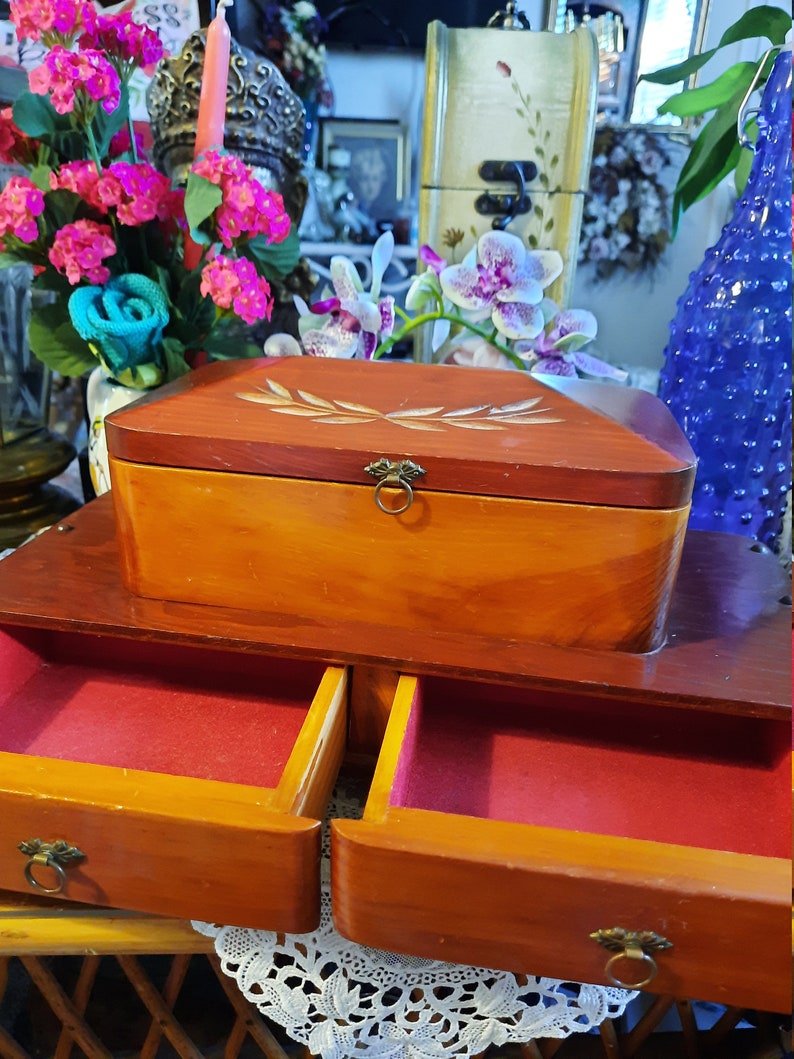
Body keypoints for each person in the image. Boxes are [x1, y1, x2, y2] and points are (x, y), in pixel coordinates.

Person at [348, 144, 393, 222]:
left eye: (375, 179)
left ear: (382, 180)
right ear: (357, 180)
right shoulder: (350, 209)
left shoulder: (387, 212)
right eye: (365, 179)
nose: (370, 186)